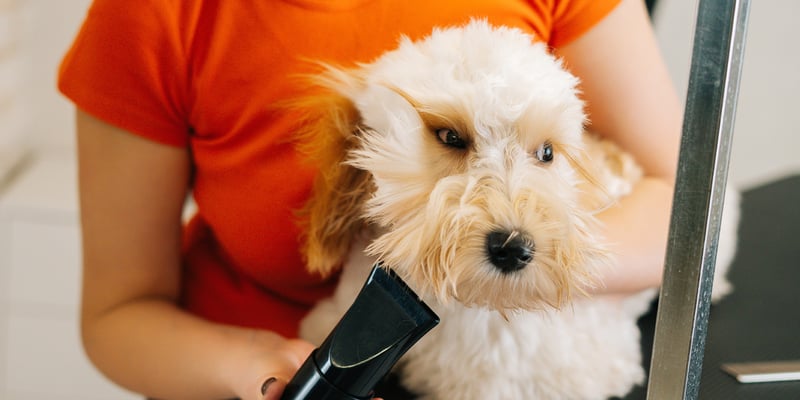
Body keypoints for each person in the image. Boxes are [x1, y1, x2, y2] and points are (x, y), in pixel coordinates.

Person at [58, 0, 681, 399]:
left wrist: (519, 263)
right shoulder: (151, 16)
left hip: (500, 359)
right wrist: (256, 367)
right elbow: (119, 315)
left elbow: (688, 205)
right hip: (278, 369)